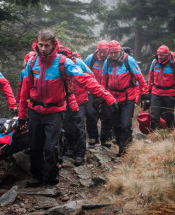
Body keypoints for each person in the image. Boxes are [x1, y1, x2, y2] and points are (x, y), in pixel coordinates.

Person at [18, 29, 118, 187]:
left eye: (46, 45)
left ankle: (50, 179)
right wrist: (22, 114)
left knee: (51, 147)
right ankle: (37, 177)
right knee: (35, 147)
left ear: (53, 45)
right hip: (34, 111)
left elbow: (85, 79)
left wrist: (108, 97)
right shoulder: (32, 62)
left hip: (55, 112)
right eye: (40, 45)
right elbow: (25, 90)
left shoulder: (63, 62)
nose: (43, 49)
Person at [101, 40, 150, 156]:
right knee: (116, 125)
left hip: (128, 97)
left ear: (120, 50)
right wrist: (102, 96)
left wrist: (146, 95)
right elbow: (103, 80)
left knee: (125, 124)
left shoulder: (129, 61)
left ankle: (125, 149)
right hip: (113, 98)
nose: (113, 55)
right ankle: (121, 146)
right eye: (111, 53)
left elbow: (140, 78)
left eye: (115, 53)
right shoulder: (107, 62)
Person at [148, 45, 175, 130]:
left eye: (162, 55)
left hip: (170, 93)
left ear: (167, 55)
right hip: (156, 92)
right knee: (154, 115)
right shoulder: (155, 62)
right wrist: (148, 91)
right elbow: (151, 76)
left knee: (168, 115)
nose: (159, 57)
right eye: (158, 55)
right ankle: (156, 136)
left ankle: (171, 132)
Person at [84, 40, 113, 146]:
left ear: (108, 51)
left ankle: (105, 138)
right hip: (92, 90)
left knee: (107, 114)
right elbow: (83, 72)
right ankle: (92, 137)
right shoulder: (91, 59)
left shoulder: (112, 59)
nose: (102, 54)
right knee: (90, 113)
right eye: (100, 51)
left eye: (104, 52)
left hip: (107, 91)